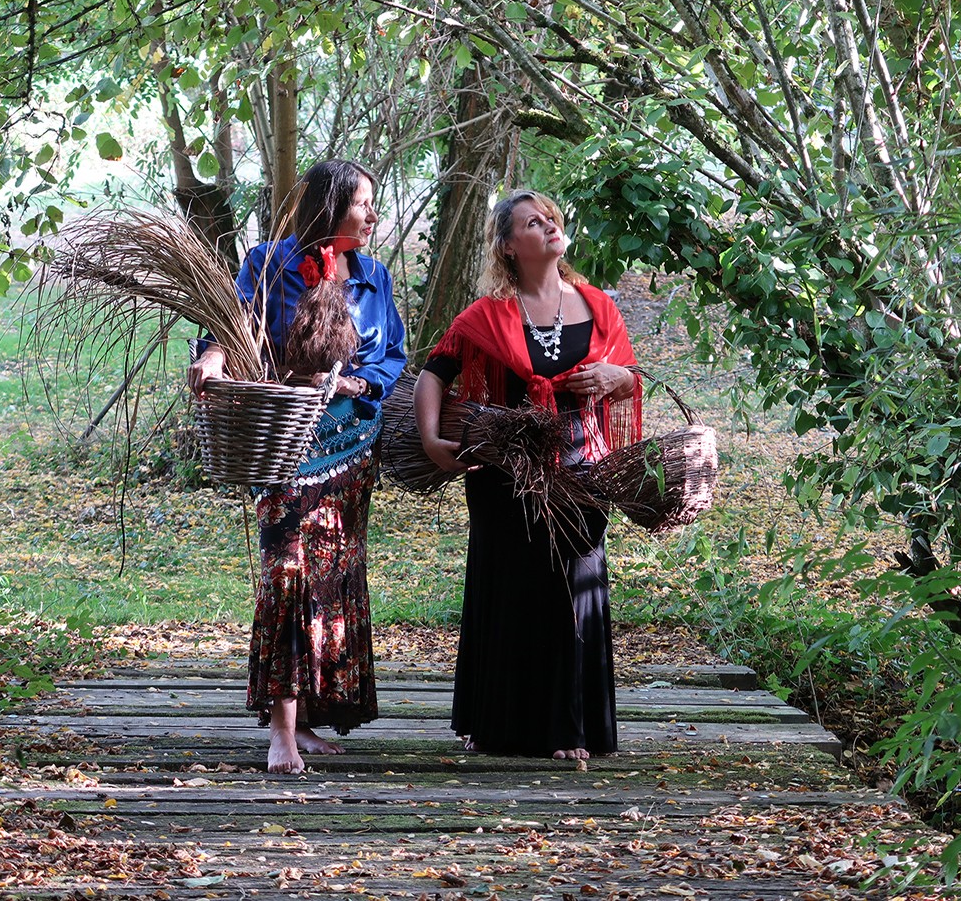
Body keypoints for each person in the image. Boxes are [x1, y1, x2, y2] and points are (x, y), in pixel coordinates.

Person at [188, 159, 407, 773]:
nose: (371, 214)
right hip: (285, 443)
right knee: (286, 572)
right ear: (329, 206)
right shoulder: (266, 265)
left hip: (351, 449)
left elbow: (392, 355)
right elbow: (230, 329)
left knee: (331, 579)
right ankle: (280, 729)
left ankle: (309, 718)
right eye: (362, 203)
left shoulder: (373, 277)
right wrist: (211, 362)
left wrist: (357, 383)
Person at [412, 189, 642, 760]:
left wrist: (615, 375)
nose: (547, 225)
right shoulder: (487, 315)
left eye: (550, 218)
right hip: (503, 476)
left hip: (582, 471)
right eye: (531, 222)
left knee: (574, 588)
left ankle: (571, 727)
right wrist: (433, 443)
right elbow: (433, 375)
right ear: (509, 246)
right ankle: (497, 723)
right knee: (510, 590)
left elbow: (630, 375)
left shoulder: (597, 305)